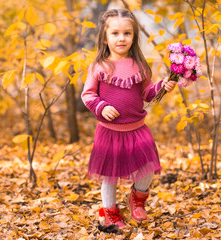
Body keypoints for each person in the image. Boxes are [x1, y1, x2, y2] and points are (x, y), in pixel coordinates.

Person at [81, 9, 177, 229]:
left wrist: (162, 86)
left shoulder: (139, 65)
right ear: (105, 37)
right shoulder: (99, 67)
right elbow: (87, 95)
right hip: (109, 131)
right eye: (115, 33)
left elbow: (146, 94)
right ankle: (110, 213)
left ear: (133, 37)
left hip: (137, 128)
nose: (121, 38)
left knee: (148, 168)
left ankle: (137, 197)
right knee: (110, 176)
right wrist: (101, 107)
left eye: (127, 33)